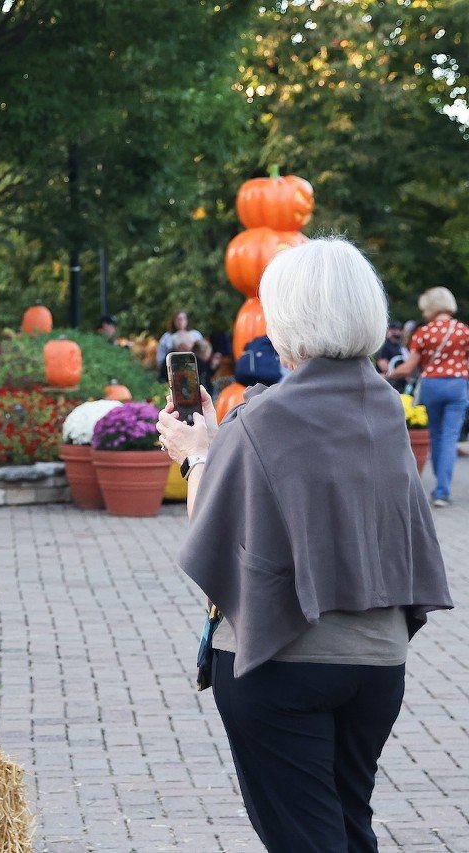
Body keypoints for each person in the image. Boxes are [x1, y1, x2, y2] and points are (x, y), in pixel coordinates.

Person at [157, 238, 453, 853]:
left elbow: (217, 531)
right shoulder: (385, 409)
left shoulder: (261, 420)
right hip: (378, 664)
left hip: (281, 662)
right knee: (348, 829)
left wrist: (196, 456)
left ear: (286, 319)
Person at [389, 286, 469, 507]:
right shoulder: (463, 330)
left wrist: (390, 373)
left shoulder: (424, 332)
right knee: (450, 437)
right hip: (457, 385)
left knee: (435, 435)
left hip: (432, 385)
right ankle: (442, 491)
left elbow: (410, 367)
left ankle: (440, 488)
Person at [156, 310, 204, 379]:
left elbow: (204, 353)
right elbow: (160, 358)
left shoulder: (195, 335)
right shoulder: (167, 337)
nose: (181, 321)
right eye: (179, 319)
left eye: (183, 318)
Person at [374, 320, 408, 392]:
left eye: (398, 329)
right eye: (393, 329)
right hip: (389, 380)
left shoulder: (400, 346)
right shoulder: (384, 345)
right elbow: (382, 364)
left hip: (399, 380)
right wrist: (393, 373)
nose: (396, 332)